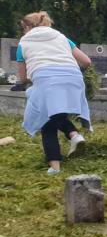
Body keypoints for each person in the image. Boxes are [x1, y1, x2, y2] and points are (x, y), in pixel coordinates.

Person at [15, 12, 92, 175]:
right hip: (73, 78)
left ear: (28, 27)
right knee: (55, 115)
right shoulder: (61, 37)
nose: (23, 32)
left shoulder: (23, 43)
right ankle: (74, 136)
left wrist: (35, 75)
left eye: (23, 28)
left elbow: (22, 78)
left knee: (46, 121)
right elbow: (86, 61)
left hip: (47, 81)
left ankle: (56, 165)